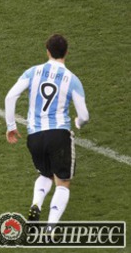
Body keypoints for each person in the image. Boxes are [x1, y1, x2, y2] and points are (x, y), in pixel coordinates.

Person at [5, 34, 89, 227]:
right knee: (63, 182)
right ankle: (51, 228)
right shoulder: (72, 79)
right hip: (58, 134)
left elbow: (10, 97)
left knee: (45, 174)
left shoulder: (33, 72)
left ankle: (36, 203)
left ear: (47, 51)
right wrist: (78, 122)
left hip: (35, 136)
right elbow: (84, 115)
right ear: (66, 52)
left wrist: (11, 126)